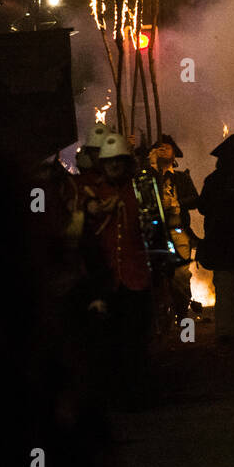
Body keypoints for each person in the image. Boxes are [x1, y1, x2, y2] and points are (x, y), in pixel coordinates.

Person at [84, 132, 155, 407]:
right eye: (110, 161)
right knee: (109, 342)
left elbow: (156, 231)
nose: (114, 166)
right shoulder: (93, 192)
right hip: (107, 279)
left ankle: (137, 394)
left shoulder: (141, 190)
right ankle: (115, 395)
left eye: (119, 161)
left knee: (136, 340)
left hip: (136, 276)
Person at [197, 134, 234, 344]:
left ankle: (226, 331)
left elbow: (202, 207)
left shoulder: (213, 180)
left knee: (225, 287)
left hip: (223, 243)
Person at [147, 135, 199, 325]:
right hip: (154, 232)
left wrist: (177, 203)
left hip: (177, 230)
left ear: (174, 153)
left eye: (167, 147)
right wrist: (151, 167)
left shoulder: (181, 178)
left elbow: (195, 200)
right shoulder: (148, 176)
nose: (163, 150)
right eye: (159, 148)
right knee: (156, 275)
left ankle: (183, 315)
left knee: (181, 275)